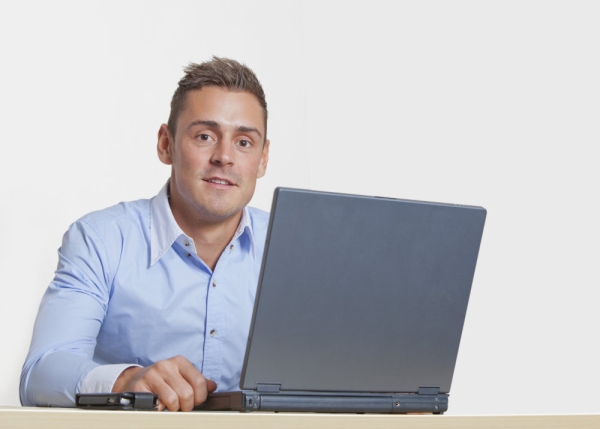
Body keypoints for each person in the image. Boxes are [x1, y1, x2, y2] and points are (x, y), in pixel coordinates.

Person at [20, 57, 271, 412]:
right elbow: (41, 373)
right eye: (204, 136)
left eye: (244, 142)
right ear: (166, 144)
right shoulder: (100, 240)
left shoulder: (297, 249)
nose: (224, 157)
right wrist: (127, 382)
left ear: (262, 159)